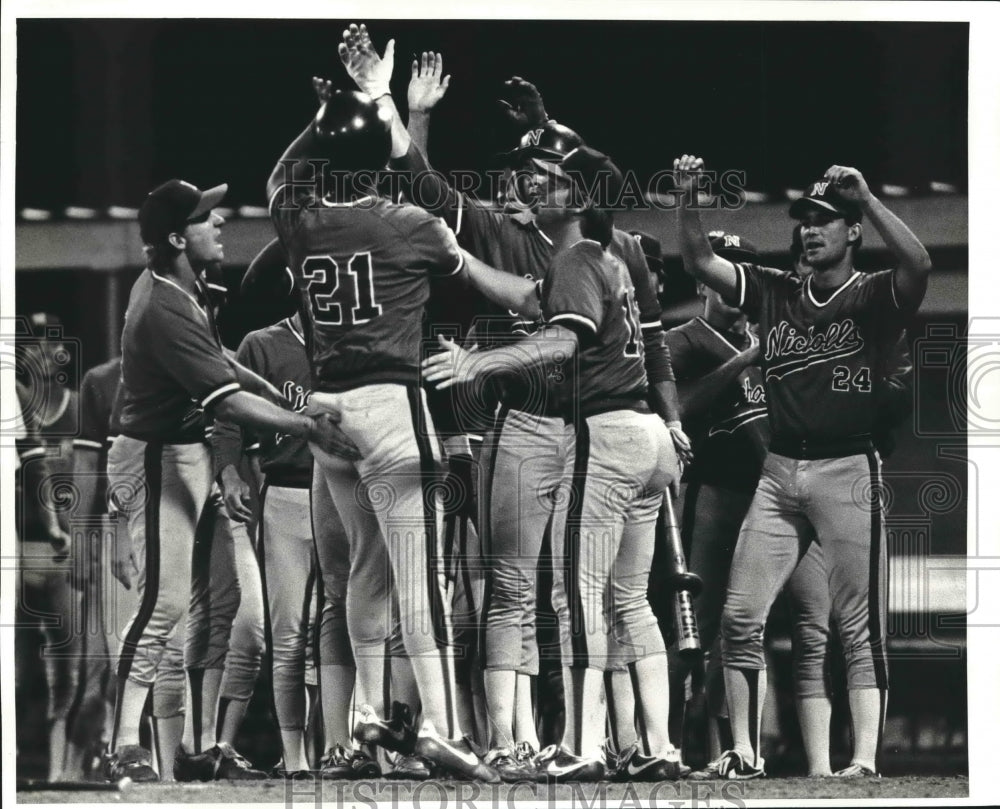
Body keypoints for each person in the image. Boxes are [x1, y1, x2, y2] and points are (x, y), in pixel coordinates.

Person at [339, 32, 689, 780]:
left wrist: (675, 413)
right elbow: (428, 191)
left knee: (593, 592)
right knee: (521, 586)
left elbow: (605, 314)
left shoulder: (601, 247)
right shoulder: (539, 237)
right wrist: (410, 117)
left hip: (600, 426)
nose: (522, 184)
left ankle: (609, 743)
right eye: (523, 171)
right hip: (539, 422)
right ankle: (518, 737)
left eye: (537, 171)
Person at [265, 55, 540, 777]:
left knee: (363, 571)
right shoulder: (412, 224)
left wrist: (327, 117)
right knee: (420, 583)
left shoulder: (301, 219)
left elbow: (278, 178)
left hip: (328, 413)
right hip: (392, 404)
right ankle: (443, 727)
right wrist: (528, 293)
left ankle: (362, 718)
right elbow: (494, 287)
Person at [423, 143, 684, 783]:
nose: (534, 183)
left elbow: (563, 336)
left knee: (575, 596)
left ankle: (580, 746)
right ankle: (660, 746)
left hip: (604, 432)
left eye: (552, 178)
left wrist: (479, 362)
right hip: (647, 433)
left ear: (580, 197)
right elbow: (527, 295)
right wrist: (461, 261)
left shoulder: (574, 257)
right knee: (632, 600)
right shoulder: (609, 255)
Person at [675, 155, 932, 779]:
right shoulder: (775, 289)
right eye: (807, 221)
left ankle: (863, 759)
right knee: (739, 615)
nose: (812, 230)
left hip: (847, 468)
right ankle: (743, 751)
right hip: (780, 474)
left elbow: (919, 263)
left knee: (856, 622)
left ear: (852, 232)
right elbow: (700, 264)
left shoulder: (871, 294)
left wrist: (867, 198)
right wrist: (688, 199)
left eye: (826, 220)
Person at [103, 177, 349, 783]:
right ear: (173, 237)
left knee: (219, 606)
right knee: (161, 606)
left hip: (183, 451)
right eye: (203, 218)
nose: (217, 224)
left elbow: (227, 368)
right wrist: (305, 424)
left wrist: (274, 394)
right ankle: (121, 746)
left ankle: (190, 743)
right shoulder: (162, 304)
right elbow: (227, 402)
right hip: (156, 455)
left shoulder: (181, 288)